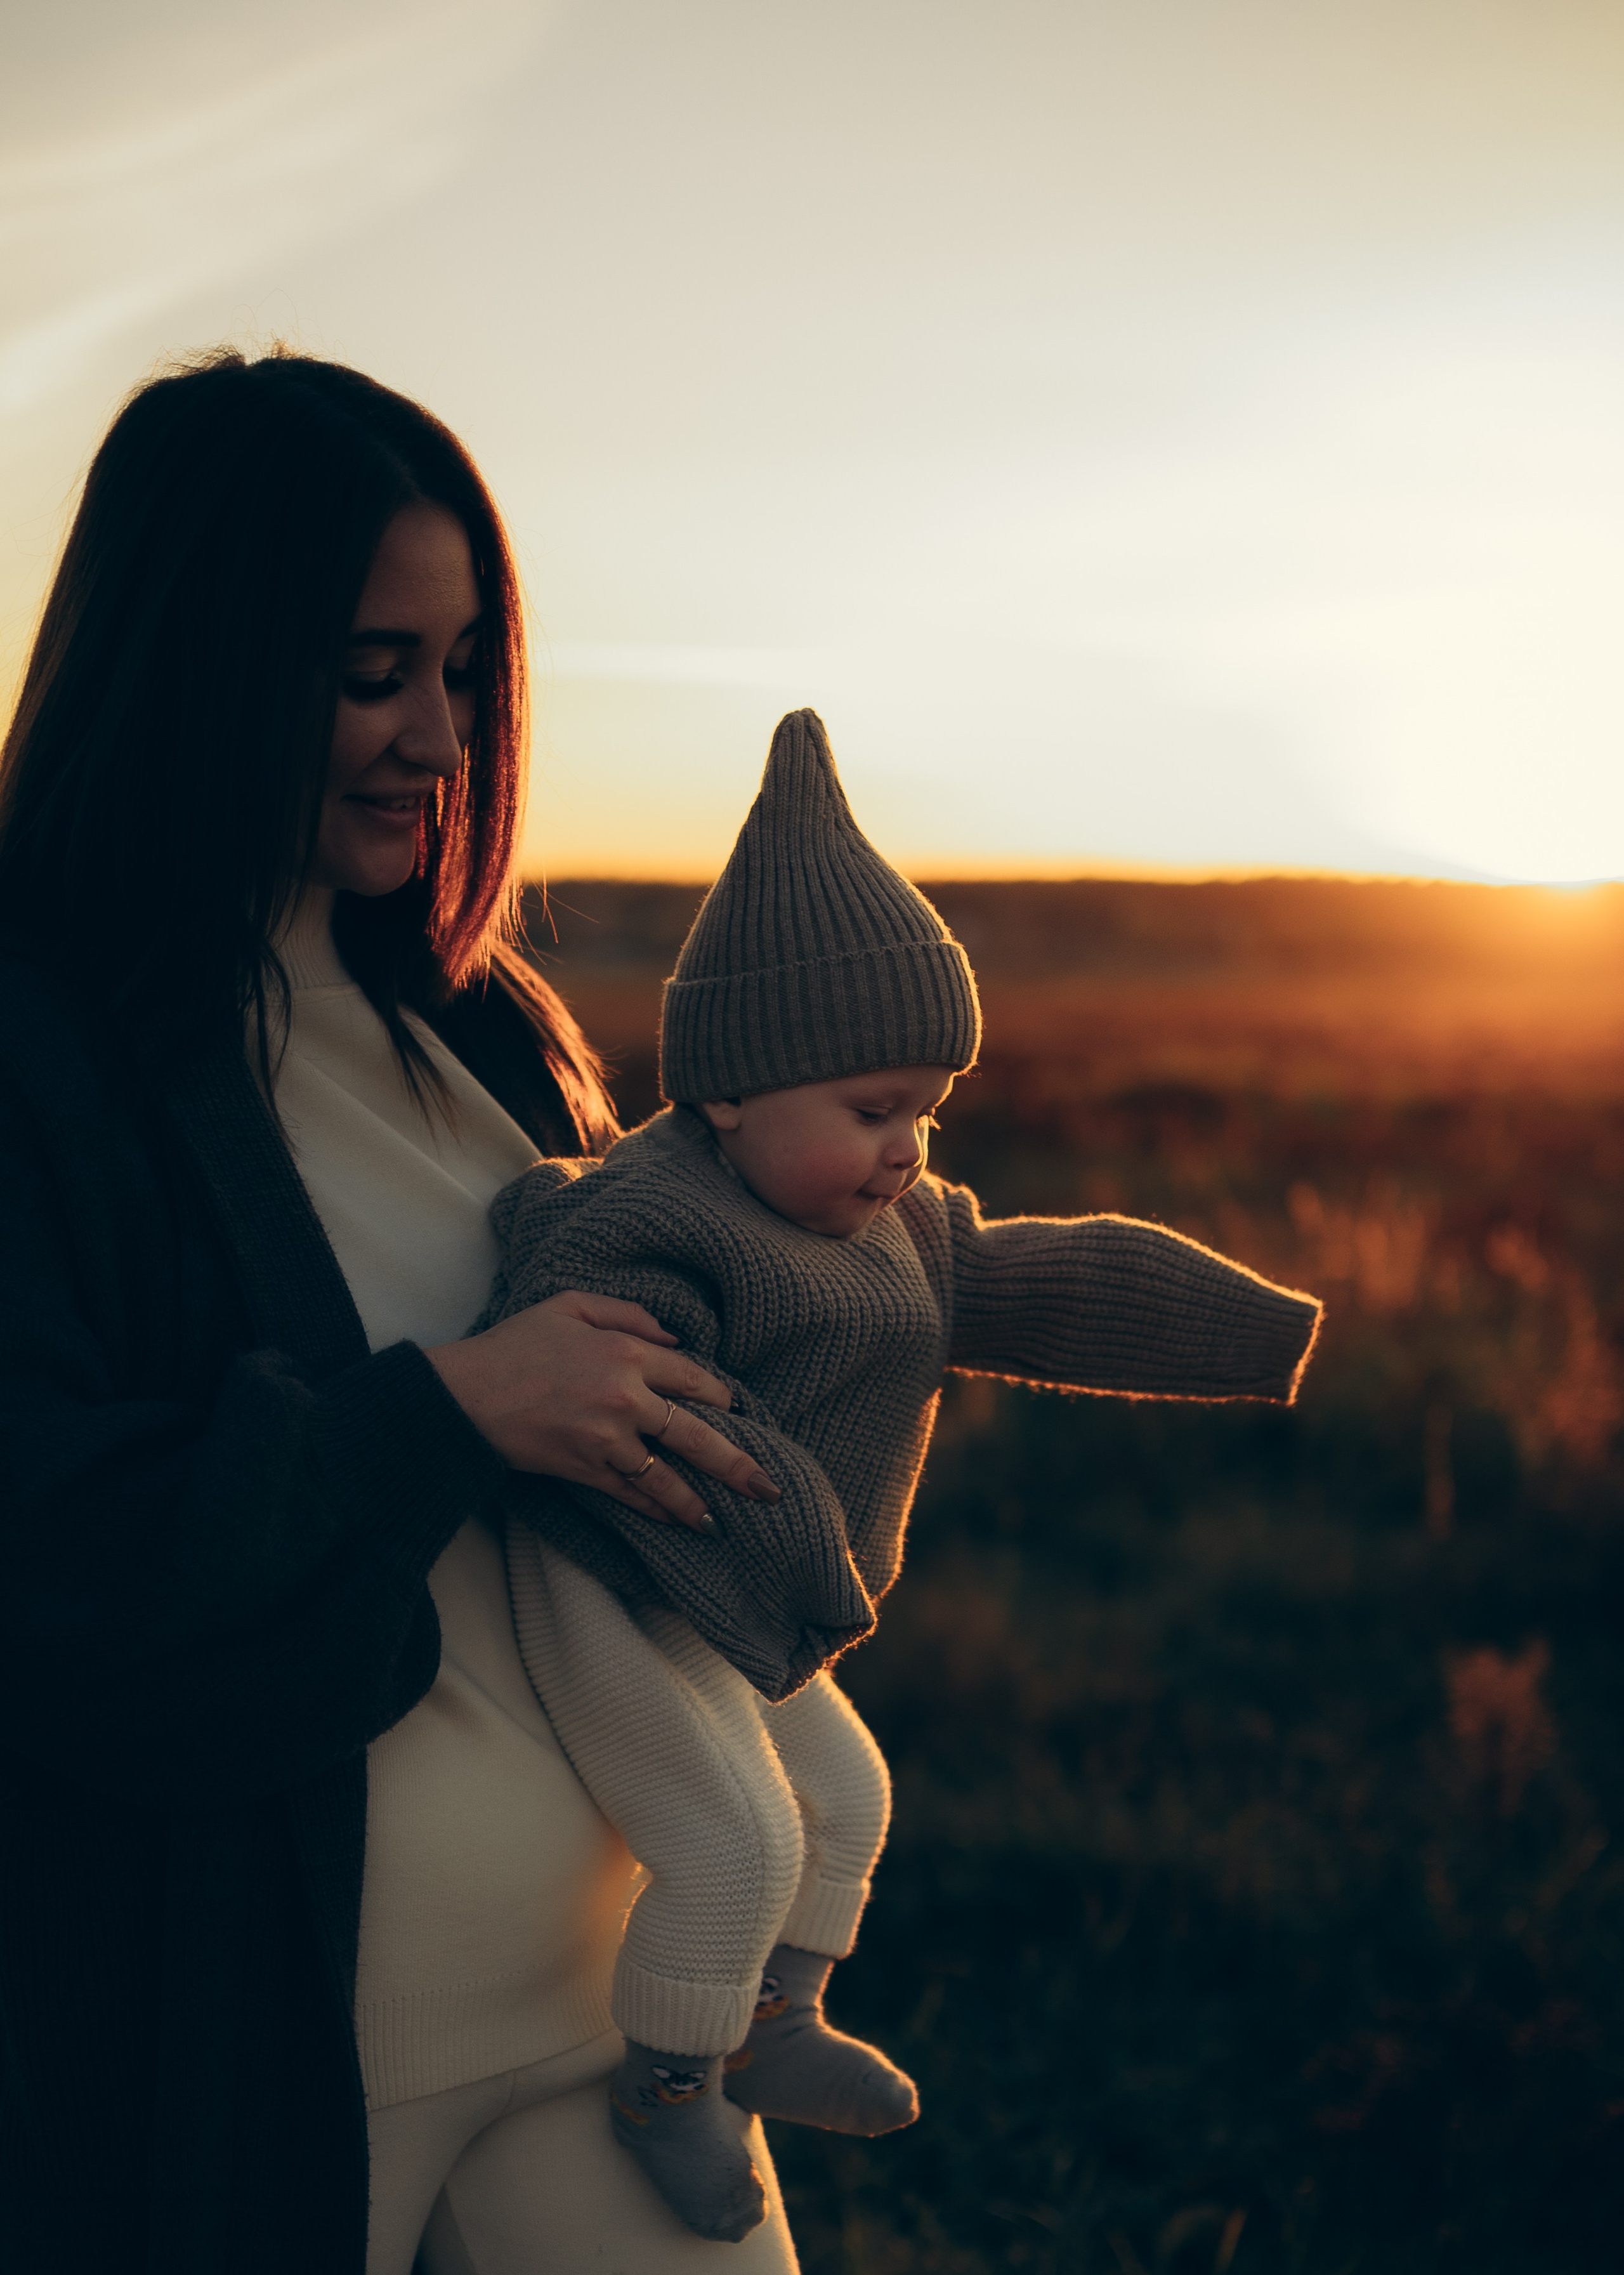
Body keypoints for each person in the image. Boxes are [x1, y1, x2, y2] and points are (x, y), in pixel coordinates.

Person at [0, 349, 804, 2275]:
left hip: (606, 2016)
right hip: (258, 2061)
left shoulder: (487, 1023)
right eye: (373, 671)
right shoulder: (46, 1059)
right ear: (198, 655)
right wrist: (442, 1412)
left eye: (465, 670)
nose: (438, 737)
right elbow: (45, 1551)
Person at [481, 709, 1326, 2243]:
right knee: (732, 1836)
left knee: (848, 1790)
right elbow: (631, 1379)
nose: (903, 1150)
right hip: (612, 1568)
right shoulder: (653, 1220)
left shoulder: (901, 1224)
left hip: (756, 1588)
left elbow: (1030, 1281)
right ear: (729, 1089)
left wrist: (1243, 1330)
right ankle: (666, 2080)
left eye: (926, 1111)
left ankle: (774, 2016)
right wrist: (797, 1538)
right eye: (872, 1111)